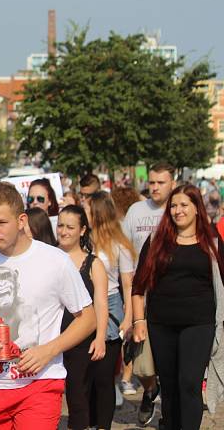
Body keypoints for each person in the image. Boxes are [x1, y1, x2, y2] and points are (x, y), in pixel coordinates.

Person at [0, 182, 95, 429]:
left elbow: (88, 318)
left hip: (41, 384)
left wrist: (49, 350)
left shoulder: (55, 261)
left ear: (21, 220)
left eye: (1, 223)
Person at [132, 184, 223, 430]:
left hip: (199, 323)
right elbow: (138, 286)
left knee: (190, 383)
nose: (177, 210)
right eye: (173, 205)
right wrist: (139, 322)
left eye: (184, 205)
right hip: (161, 324)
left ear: (196, 208)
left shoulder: (213, 241)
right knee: (170, 386)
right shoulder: (156, 241)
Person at [122, 162, 176, 425]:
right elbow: (125, 255)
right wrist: (129, 307)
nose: (154, 187)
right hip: (139, 293)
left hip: (170, 296)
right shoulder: (136, 210)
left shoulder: (178, 210)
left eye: (160, 182)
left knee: (169, 357)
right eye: (151, 182)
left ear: (172, 184)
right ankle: (151, 389)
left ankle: (169, 413)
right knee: (139, 357)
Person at [56, 205, 109, 430]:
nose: (64, 231)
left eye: (70, 227)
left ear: (82, 230)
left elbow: (101, 303)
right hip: (51, 336)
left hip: (82, 338)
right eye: (60, 226)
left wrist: (100, 337)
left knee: (77, 392)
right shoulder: (50, 257)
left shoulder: (93, 264)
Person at [87, 191, 136, 426]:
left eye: (87, 209)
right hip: (84, 307)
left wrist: (128, 318)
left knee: (104, 377)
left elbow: (127, 284)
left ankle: (102, 424)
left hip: (111, 307)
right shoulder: (82, 240)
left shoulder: (118, 245)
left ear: (97, 213)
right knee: (88, 376)